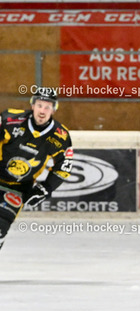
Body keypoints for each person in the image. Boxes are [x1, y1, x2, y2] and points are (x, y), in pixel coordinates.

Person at [0, 87, 73, 251]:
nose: (42, 111)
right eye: (39, 105)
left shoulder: (60, 136)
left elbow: (64, 166)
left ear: (54, 110)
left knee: (0, 228)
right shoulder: (9, 119)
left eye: (47, 107)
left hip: (18, 189)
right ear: (32, 105)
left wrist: (45, 189)